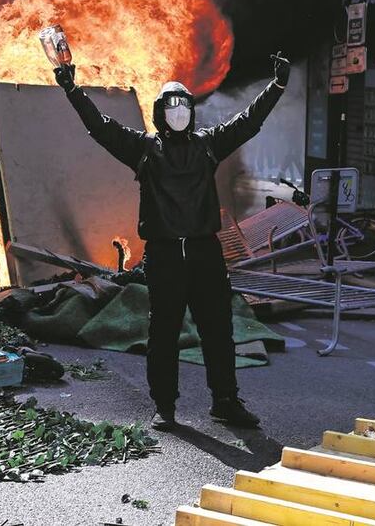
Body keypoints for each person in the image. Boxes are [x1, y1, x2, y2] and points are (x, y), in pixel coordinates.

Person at [51, 54, 290, 430]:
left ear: (192, 111)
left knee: (218, 330)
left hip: (204, 251)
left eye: (184, 104)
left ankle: (225, 401)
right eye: (171, 105)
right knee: (163, 333)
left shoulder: (208, 145)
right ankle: (164, 406)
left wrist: (275, 87)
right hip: (164, 254)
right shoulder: (144, 149)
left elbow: (248, 122)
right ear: (160, 111)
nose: (179, 111)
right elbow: (100, 127)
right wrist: (72, 89)